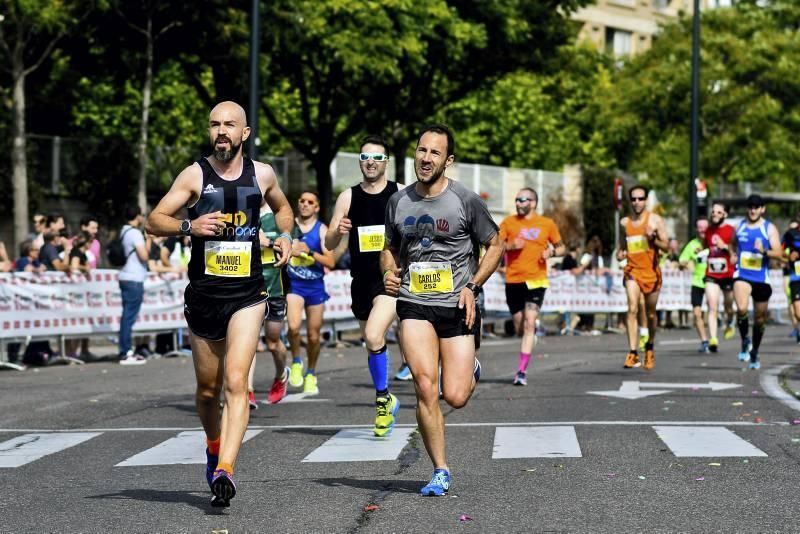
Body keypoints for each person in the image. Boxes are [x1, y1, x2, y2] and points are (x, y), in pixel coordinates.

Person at [146, 101, 293, 507]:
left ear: (245, 133)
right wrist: (189, 226)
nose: (222, 131)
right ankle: (214, 445)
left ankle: (226, 468)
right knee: (208, 391)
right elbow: (154, 220)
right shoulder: (195, 175)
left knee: (236, 382)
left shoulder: (262, 174)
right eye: (215, 124)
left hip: (247, 294)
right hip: (205, 295)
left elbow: (283, 209)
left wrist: (285, 237)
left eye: (230, 124)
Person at [380, 124, 504, 496]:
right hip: (414, 303)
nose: (426, 158)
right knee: (423, 385)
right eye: (421, 150)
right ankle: (440, 469)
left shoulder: (465, 200)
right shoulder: (398, 202)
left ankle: (470, 371)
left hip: (456, 304)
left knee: (457, 396)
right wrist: (388, 270)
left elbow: (496, 246)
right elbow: (388, 248)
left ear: (447, 161)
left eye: (435, 153)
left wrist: (472, 286)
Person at [325, 134, 403, 436]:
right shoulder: (348, 197)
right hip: (360, 281)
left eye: (377, 158)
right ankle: (385, 396)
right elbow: (329, 244)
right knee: (372, 346)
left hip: (389, 278)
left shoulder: (400, 194)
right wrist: (337, 229)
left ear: (386, 163)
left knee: (373, 334)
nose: (371, 162)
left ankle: (382, 399)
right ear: (360, 161)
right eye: (365, 157)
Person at [499, 187, 565, 386]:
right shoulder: (508, 223)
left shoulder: (547, 224)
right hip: (513, 280)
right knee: (520, 327)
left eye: (523, 199)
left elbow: (562, 247)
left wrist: (551, 253)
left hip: (536, 280)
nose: (518, 203)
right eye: (517, 199)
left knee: (529, 323)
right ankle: (529, 336)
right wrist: (510, 246)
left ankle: (521, 372)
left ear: (533, 203)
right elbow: (493, 246)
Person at [285, 191, 335, 395]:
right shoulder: (289, 226)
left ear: (317, 207)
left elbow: (330, 262)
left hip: (314, 286)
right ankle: (296, 361)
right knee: (294, 327)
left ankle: (311, 373)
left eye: (310, 202)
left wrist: (309, 252)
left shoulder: (322, 230)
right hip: (294, 285)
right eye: (302, 201)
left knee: (314, 336)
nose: (305, 204)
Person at [616, 185, 668, 370]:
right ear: (630, 201)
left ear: (646, 200)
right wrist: (620, 254)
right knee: (632, 307)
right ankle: (632, 353)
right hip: (632, 271)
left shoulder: (655, 220)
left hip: (652, 273)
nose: (637, 202)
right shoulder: (624, 222)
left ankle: (650, 347)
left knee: (651, 313)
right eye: (634, 199)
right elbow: (621, 248)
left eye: (640, 199)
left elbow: (667, 247)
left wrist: (653, 238)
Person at [247, 199, 291, 407]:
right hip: (249, 287)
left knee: (273, 342)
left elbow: (295, 248)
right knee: (249, 341)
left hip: (275, 287)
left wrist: (270, 243)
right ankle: (247, 391)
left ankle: (282, 374)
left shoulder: (279, 217)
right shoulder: (244, 213)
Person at [732, 194, 784, 369]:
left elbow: (779, 253)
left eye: (756, 207)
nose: (753, 210)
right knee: (741, 308)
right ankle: (744, 340)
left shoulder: (769, 228)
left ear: (762, 209)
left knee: (760, 319)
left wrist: (764, 251)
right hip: (742, 274)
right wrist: (732, 255)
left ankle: (755, 351)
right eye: (750, 206)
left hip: (761, 278)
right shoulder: (739, 226)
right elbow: (733, 244)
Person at [117, 205, 151, 365]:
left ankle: (125, 350)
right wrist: (149, 239)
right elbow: (144, 256)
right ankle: (125, 352)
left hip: (125, 275)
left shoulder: (123, 231)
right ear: (137, 216)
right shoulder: (135, 233)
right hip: (134, 278)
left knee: (126, 315)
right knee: (129, 317)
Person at [704, 202, 737, 353]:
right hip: (711, 274)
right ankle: (713, 339)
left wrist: (726, 247)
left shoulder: (731, 231)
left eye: (718, 212)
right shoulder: (708, 231)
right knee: (712, 306)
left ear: (725, 214)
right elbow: (707, 248)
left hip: (727, 274)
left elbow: (735, 253)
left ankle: (730, 320)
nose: (715, 215)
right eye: (713, 212)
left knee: (729, 306)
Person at [678, 217, 711, 352]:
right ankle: (704, 341)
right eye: (700, 227)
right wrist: (684, 263)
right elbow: (682, 260)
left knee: (713, 312)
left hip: (712, 281)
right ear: (696, 229)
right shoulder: (692, 245)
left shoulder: (713, 241)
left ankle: (713, 337)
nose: (702, 229)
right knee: (697, 314)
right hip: (697, 282)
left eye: (705, 227)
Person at [782, 215, 800, 344]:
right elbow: (780, 251)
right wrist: (788, 256)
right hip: (796, 276)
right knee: (798, 312)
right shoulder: (790, 234)